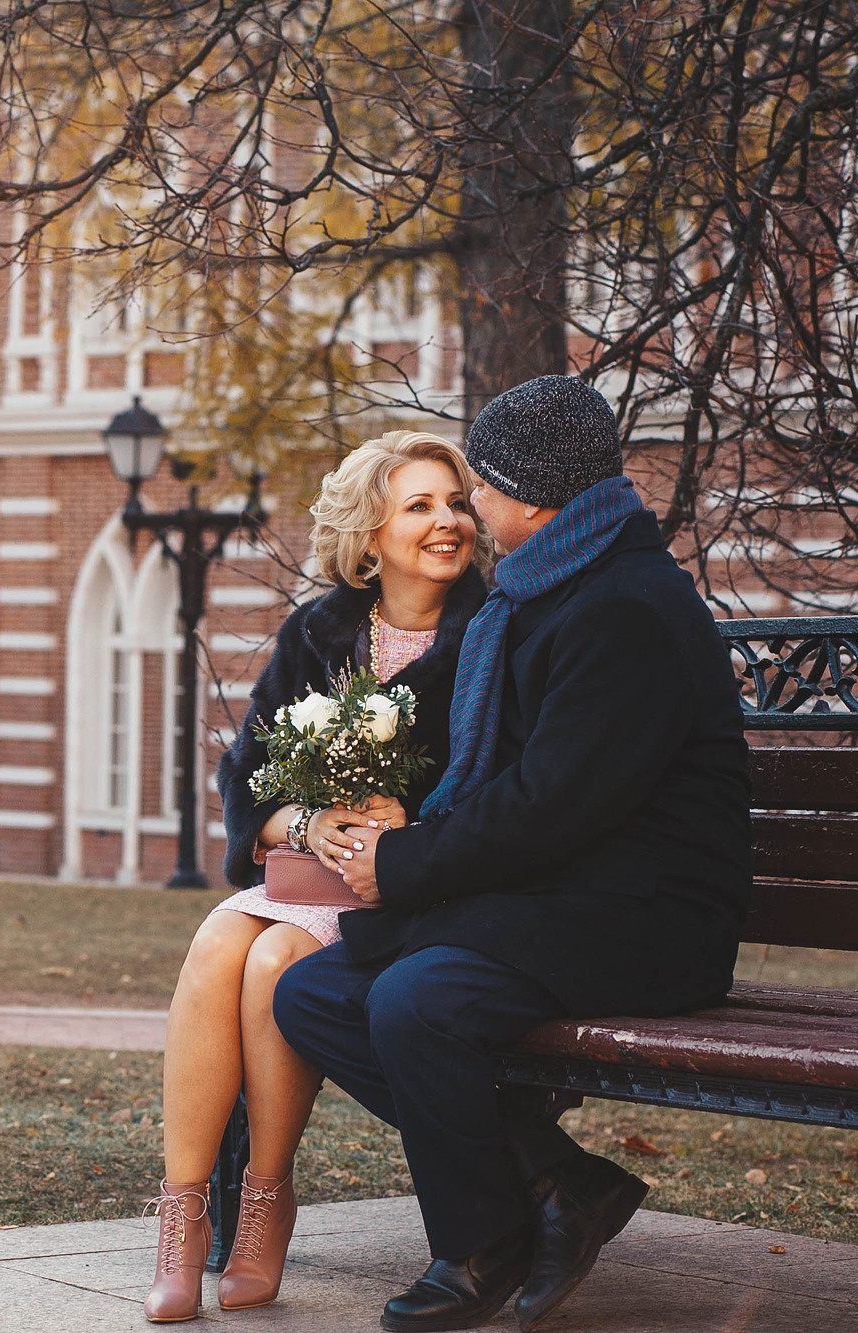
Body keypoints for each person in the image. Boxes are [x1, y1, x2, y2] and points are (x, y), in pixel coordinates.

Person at [271, 377, 752, 1332]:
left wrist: (404, 865)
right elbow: (520, 802)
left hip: (647, 919)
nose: (473, 509)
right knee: (316, 995)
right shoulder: (544, 594)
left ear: (533, 496)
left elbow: (555, 805)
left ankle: (477, 1246)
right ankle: (561, 1183)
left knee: (417, 1001)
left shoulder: (626, 607)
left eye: (481, 486)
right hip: (565, 899)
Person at [144, 431, 492, 1323]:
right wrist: (300, 820)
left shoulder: (492, 631)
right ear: (371, 534)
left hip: (412, 891)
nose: (447, 521)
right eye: (419, 506)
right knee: (220, 939)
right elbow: (247, 768)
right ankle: (182, 1216)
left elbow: (495, 782)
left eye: (454, 503)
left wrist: (409, 823)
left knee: (275, 963)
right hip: (307, 871)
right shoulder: (323, 627)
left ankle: (264, 1199)